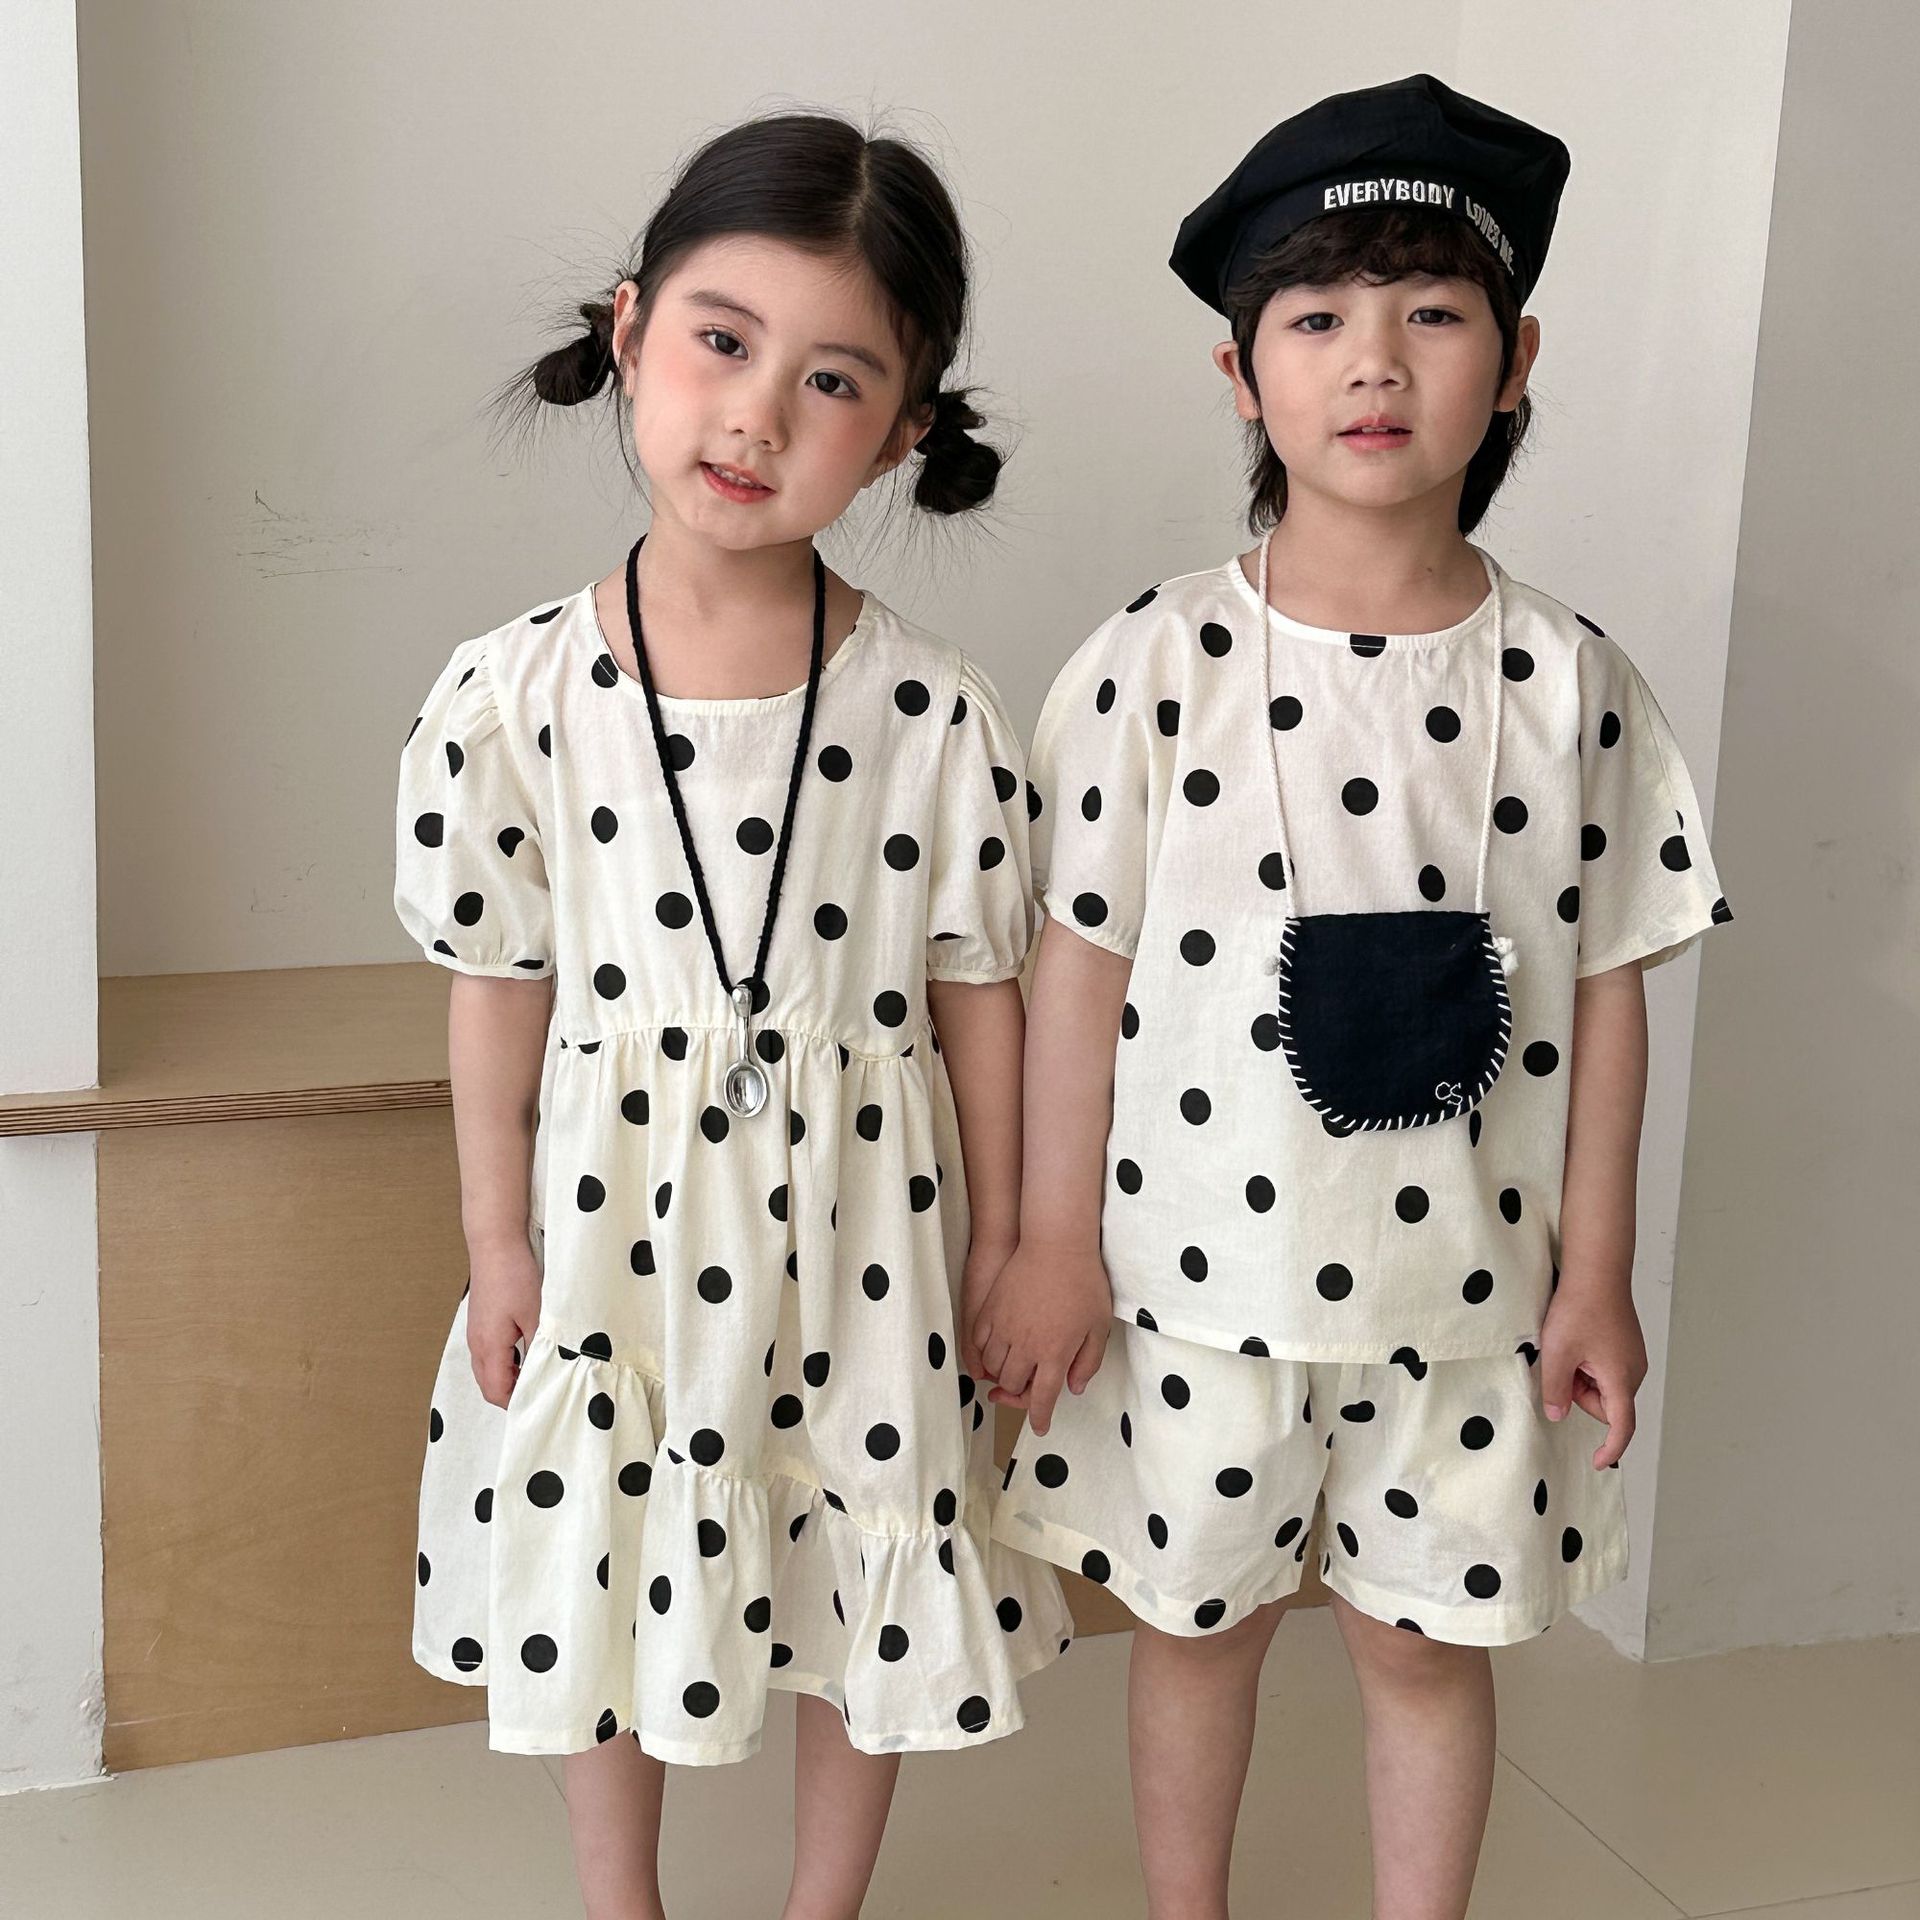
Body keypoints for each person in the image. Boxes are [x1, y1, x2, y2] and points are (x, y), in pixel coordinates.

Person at [978, 74, 1733, 1919]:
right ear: (1242, 377)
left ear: (1516, 361)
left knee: (1422, 1648)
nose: (1373, 361)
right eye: (1315, 318)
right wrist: (1053, 1241)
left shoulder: (1576, 686)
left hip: (1470, 1296)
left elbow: (1613, 992)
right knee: (1198, 1627)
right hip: (1194, 1282)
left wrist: (1599, 1273)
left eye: (1433, 313)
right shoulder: (1152, 663)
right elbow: (1077, 970)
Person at [393, 110, 1071, 1920]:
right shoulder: (513, 696)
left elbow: (983, 1003)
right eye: (721, 341)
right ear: (630, 332)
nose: (758, 415)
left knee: (866, 1565)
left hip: (869, 1237)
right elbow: (495, 988)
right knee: (608, 1553)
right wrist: (495, 1244)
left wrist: (1009, 1242)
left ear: (906, 432)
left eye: (832, 379)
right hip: (609, 1225)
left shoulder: (938, 716)